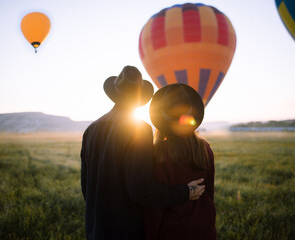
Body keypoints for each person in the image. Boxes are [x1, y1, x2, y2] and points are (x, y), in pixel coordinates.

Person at [80, 66, 205, 240]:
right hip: (125, 231)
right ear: (140, 97)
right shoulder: (139, 129)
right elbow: (140, 190)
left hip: (96, 229)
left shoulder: (91, 130)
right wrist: (185, 192)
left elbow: (86, 186)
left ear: (114, 93)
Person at [143, 83, 216, 240]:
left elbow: (155, 205)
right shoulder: (204, 148)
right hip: (203, 228)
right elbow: (209, 193)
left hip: (172, 231)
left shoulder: (158, 153)